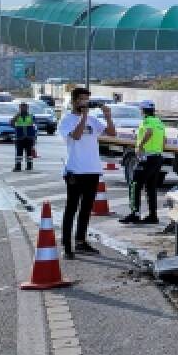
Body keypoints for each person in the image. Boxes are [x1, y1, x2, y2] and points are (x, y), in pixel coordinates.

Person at [57, 87, 116, 258]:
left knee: (86, 209)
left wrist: (108, 117)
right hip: (75, 170)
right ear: (74, 101)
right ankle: (67, 247)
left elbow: (112, 133)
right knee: (71, 208)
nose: (85, 103)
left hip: (92, 169)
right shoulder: (66, 120)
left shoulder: (92, 119)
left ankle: (81, 241)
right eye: (82, 99)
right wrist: (83, 117)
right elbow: (75, 136)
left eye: (87, 99)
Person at [121, 102, 165, 225]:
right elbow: (164, 140)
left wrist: (140, 146)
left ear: (143, 111)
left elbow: (149, 132)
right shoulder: (159, 122)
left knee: (135, 184)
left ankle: (135, 213)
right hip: (157, 157)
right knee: (151, 187)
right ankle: (152, 215)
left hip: (147, 158)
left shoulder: (147, 121)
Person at [11, 102, 38, 171]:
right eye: (21, 108)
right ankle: (18, 167)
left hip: (29, 138)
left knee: (29, 153)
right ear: (19, 108)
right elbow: (11, 123)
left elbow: (35, 127)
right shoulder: (17, 116)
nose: (23, 109)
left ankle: (29, 166)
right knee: (19, 153)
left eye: (24, 108)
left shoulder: (31, 116)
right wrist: (16, 117)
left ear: (27, 108)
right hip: (20, 137)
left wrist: (34, 137)